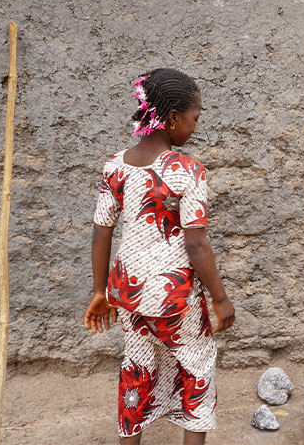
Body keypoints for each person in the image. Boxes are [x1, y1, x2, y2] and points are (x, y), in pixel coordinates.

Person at [83, 68, 235, 445]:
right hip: (175, 299)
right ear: (171, 118)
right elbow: (196, 243)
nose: (195, 127)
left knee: (137, 367)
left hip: (129, 294)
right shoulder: (188, 171)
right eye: (194, 118)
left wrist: (100, 290)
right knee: (197, 366)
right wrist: (220, 298)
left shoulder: (114, 167)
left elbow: (102, 230)